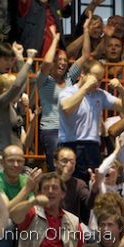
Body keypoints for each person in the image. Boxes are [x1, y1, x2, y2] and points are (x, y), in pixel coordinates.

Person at [59, 61, 124, 180]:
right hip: (71, 145)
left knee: (94, 185)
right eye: (95, 78)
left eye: (100, 80)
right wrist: (85, 87)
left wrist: (121, 89)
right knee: (72, 184)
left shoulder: (100, 94)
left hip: (93, 146)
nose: (97, 83)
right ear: (83, 74)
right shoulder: (68, 92)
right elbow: (67, 108)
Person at [38, 22, 90, 170]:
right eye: (59, 60)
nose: (62, 63)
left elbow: (85, 56)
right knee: (56, 168)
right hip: (51, 129)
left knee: (71, 170)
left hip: (70, 130)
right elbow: (46, 62)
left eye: (65, 60)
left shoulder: (69, 78)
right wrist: (55, 40)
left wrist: (85, 30)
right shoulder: (44, 80)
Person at [10, 172, 84, 247]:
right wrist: (33, 202)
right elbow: (13, 216)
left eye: (54, 188)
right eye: (45, 188)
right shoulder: (32, 213)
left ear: (63, 194)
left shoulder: (73, 221)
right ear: (40, 193)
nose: (50, 191)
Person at [0, 46, 36, 160]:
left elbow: (22, 84)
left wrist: (19, 58)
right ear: (5, 91)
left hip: (16, 157)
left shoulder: (13, 107)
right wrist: (29, 60)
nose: (19, 92)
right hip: (2, 159)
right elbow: (17, 85)